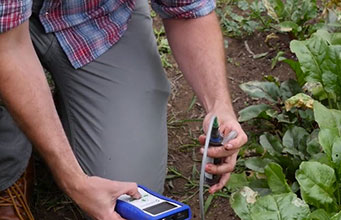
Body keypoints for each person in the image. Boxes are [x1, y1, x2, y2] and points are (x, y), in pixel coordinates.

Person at [0, 0, 248, 219]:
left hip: (93, 19)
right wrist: (73, 180)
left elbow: (188, 9)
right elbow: (8, 48)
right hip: (5, 36)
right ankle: (7, 172)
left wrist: (219, 106)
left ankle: (58, 113)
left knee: (128, 192)